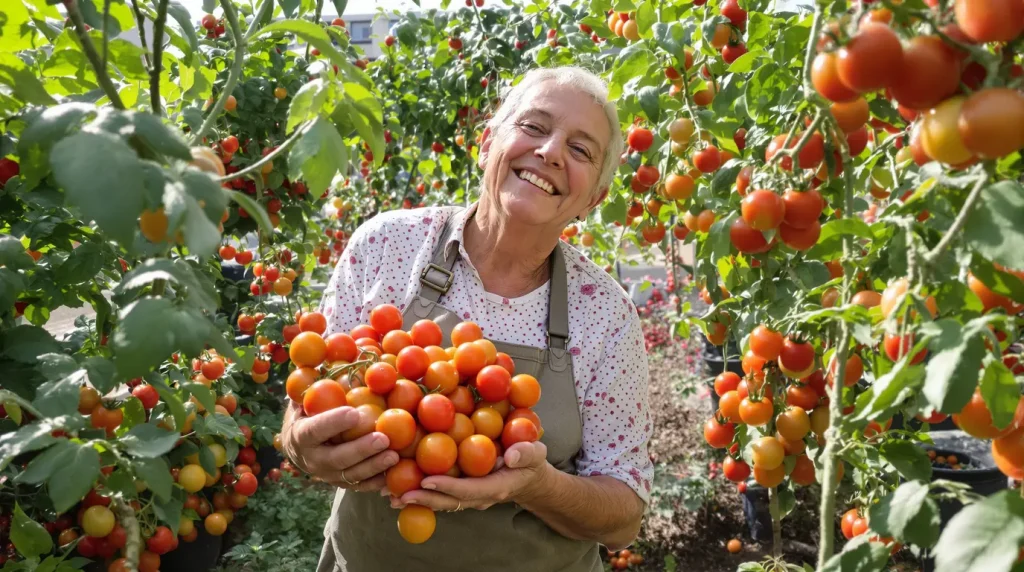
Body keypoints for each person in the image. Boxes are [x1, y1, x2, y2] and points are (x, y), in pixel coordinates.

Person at [279, 66, 654, 572]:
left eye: (581, 150)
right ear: (486, 143)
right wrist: (302, 447)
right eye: (534, 127)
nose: (550, 152)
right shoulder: (387, 246)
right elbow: (305, 406)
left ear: (595, 199)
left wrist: (539, 484)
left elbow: (623, 517)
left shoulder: (606, 316)